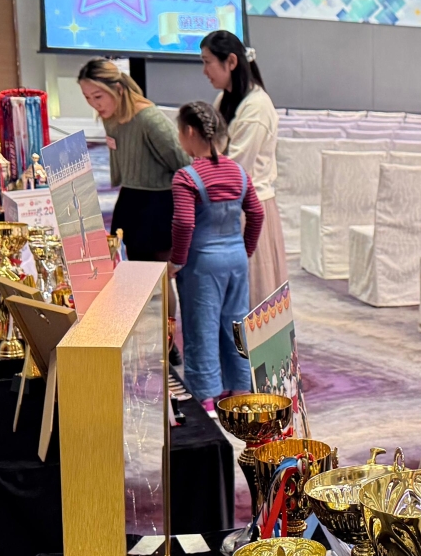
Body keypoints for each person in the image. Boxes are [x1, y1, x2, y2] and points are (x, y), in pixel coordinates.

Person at [170, 101, 262, 406]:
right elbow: (257, 213)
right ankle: (240, 391)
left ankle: (206, 397)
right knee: (236, 327)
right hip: (236, 259)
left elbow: (184, 222)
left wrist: (177, 261)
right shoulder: (239, 172)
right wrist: (245, 249)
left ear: (189, 132)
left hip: (202, 264)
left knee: (202, 330)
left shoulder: (186, 177)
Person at [202, 31, 288, 305]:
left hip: (248, 209)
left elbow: (234, 169)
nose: (204, 71)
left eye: (207, 62)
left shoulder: (256, 107)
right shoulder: (225, 99)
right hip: (225, 205)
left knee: (252, 296)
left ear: (231, 62)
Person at [78, 59, 187, 261]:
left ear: (118, 89)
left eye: (98, 96)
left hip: (158, 204)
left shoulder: (150, 119)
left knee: (158, 273)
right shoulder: (111, 116)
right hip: (131, 198)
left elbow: (184, 163)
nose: (94, 104)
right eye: (87, 97)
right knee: (133, 266)